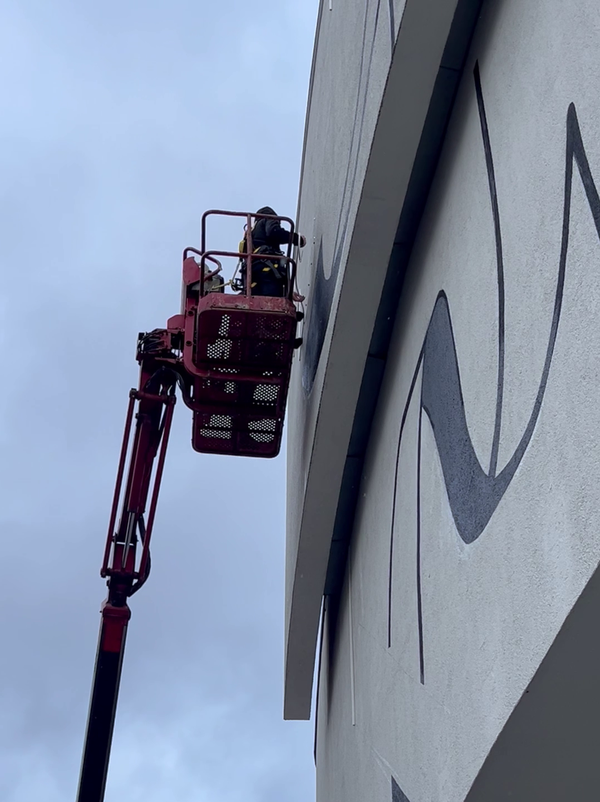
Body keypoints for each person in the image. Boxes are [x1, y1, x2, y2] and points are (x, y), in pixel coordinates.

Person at [240, 206, 306, 298]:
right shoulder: (268, 217)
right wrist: (296, 239)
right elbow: (274, 232)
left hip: (254, 278)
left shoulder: (250, 234)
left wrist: (289, 293)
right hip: (267, 270)